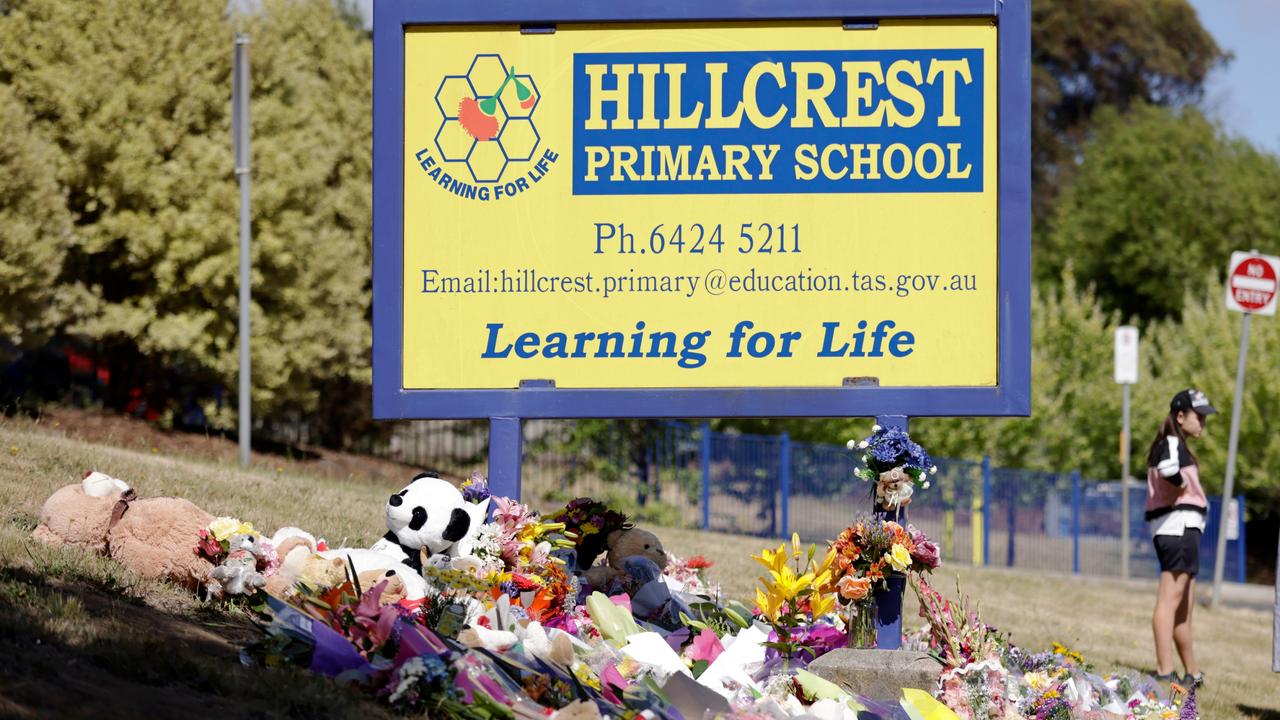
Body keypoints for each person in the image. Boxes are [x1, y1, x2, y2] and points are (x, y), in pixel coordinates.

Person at [1145, 388, 1216, 687]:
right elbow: (1168, 469)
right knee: (1169, 603)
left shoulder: (1173, 443)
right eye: (1198, 416)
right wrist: (1181, 481)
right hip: (1179, 528)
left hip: (1178, 530)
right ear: (1180, 415)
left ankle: (1192, 672)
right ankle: (1164, 671)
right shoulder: (1172, 442)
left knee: (1184, 606)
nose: (1202, 422)